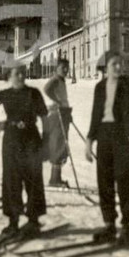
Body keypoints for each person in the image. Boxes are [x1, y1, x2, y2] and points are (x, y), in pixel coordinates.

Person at [85, 52, 129, 247]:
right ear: (106, 67)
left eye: (121, 64)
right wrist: (89, 140)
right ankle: (109, 225)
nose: (119, 67)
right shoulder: (99, 87)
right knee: (104, 182)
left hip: (124, 136)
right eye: (114, 64)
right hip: (104, 136)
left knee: (125, 181)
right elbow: (95, 115)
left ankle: (127, 227)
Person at [0, 64, 48, 239]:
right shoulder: (5, 94)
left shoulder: (34, 93)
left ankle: (33, 221)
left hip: (31, 139)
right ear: (9, 76)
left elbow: (45, 117)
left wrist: (46, 140)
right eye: (17, 74)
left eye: (23, 73)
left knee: (33, 179)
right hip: (11, 141)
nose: (21, 76)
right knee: (11, 180)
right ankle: (13, 221)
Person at [41, 58, 73, 188]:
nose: (65, 70)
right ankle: (54, 179)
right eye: (62, 67)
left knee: (61, 144)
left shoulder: (61, 80)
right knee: (58, 144)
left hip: (63, 113)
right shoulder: (55, 79)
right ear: (57, 68)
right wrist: (58, 102)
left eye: (67, 67)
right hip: (56, 115)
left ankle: (57, 178)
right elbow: (46, 89)